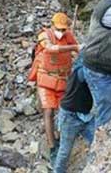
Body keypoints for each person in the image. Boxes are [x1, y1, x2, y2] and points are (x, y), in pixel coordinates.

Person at [28, 12, 80, 155]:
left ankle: (64, 135)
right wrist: (73, 48)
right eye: (59, 29)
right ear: (52, 25)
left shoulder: (68, 36)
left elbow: (77, 50)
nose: (61, 32)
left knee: (64, 109)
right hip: (46, 78)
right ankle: (51, 145)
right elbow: (50, 48)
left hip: (63, 79)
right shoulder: (44, 36)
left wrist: (78, 51)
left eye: (64, 29)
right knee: (49, 110)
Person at [53, 62, 95, 173]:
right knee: (64, 151)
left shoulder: (83, 68)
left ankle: (96, 166)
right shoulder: (82, 71)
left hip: (85, 115)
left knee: (98, 140)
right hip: (69, 116)